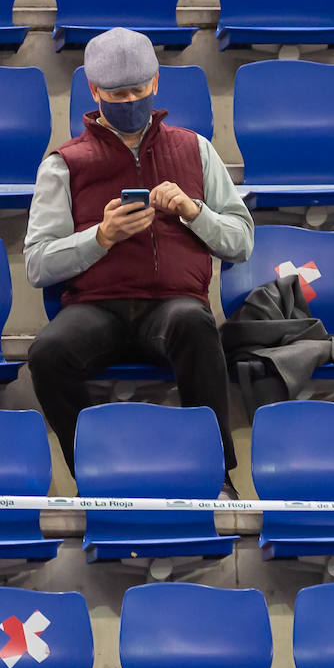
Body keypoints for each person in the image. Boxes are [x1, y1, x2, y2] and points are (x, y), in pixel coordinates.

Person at [24, 28, 254, 484]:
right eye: (115, 93)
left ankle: (215, 474)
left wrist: (194, 212)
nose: (128, 101)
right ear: (94, 91)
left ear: (155, 83)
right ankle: (91, 473)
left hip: (172, 305)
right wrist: (100, 237)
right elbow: (37, 263)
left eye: (137, 90)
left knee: (195, 323)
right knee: (47, 354)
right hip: (96, 308)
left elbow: (241, 242)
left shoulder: (195, 149)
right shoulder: (64, 163)